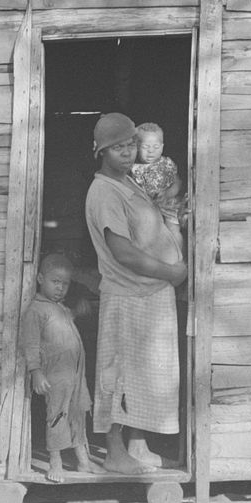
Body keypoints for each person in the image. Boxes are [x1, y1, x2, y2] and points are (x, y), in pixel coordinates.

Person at [84, 113, 188, 474]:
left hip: (149, 293)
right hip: (128, 295)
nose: (127, 153)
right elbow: (123, 252)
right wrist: (173, 272)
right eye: (118, 147)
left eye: (130, 145)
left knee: (146, 375)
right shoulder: (104, 191)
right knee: (119, 374)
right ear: (101, 151)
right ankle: (114, 452)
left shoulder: (129, 183)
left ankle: (138, 447)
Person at [20, 253, 104, 483]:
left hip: (76, 374)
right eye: (55, 282)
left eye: (65, 284)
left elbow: (66, 318)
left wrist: (79, 311)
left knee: (78, 413)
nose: (60, 288)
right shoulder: (35, 310)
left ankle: (83, 460)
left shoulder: (60, 308)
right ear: (40, 278)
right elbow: (31, 343)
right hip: (55, 375)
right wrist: (35, 371)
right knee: (57, 415)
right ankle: (55, 461)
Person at [131, 122, 186, 236]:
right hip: (146, 210)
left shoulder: (166, 164)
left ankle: (178, 253)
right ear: (136, 147)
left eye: (156, 147)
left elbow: (177, 182)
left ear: (162, 147)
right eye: (145, 147)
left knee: (174, 231)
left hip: (168, 204)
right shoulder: (134, 169)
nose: (151, 151)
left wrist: (167, 194)